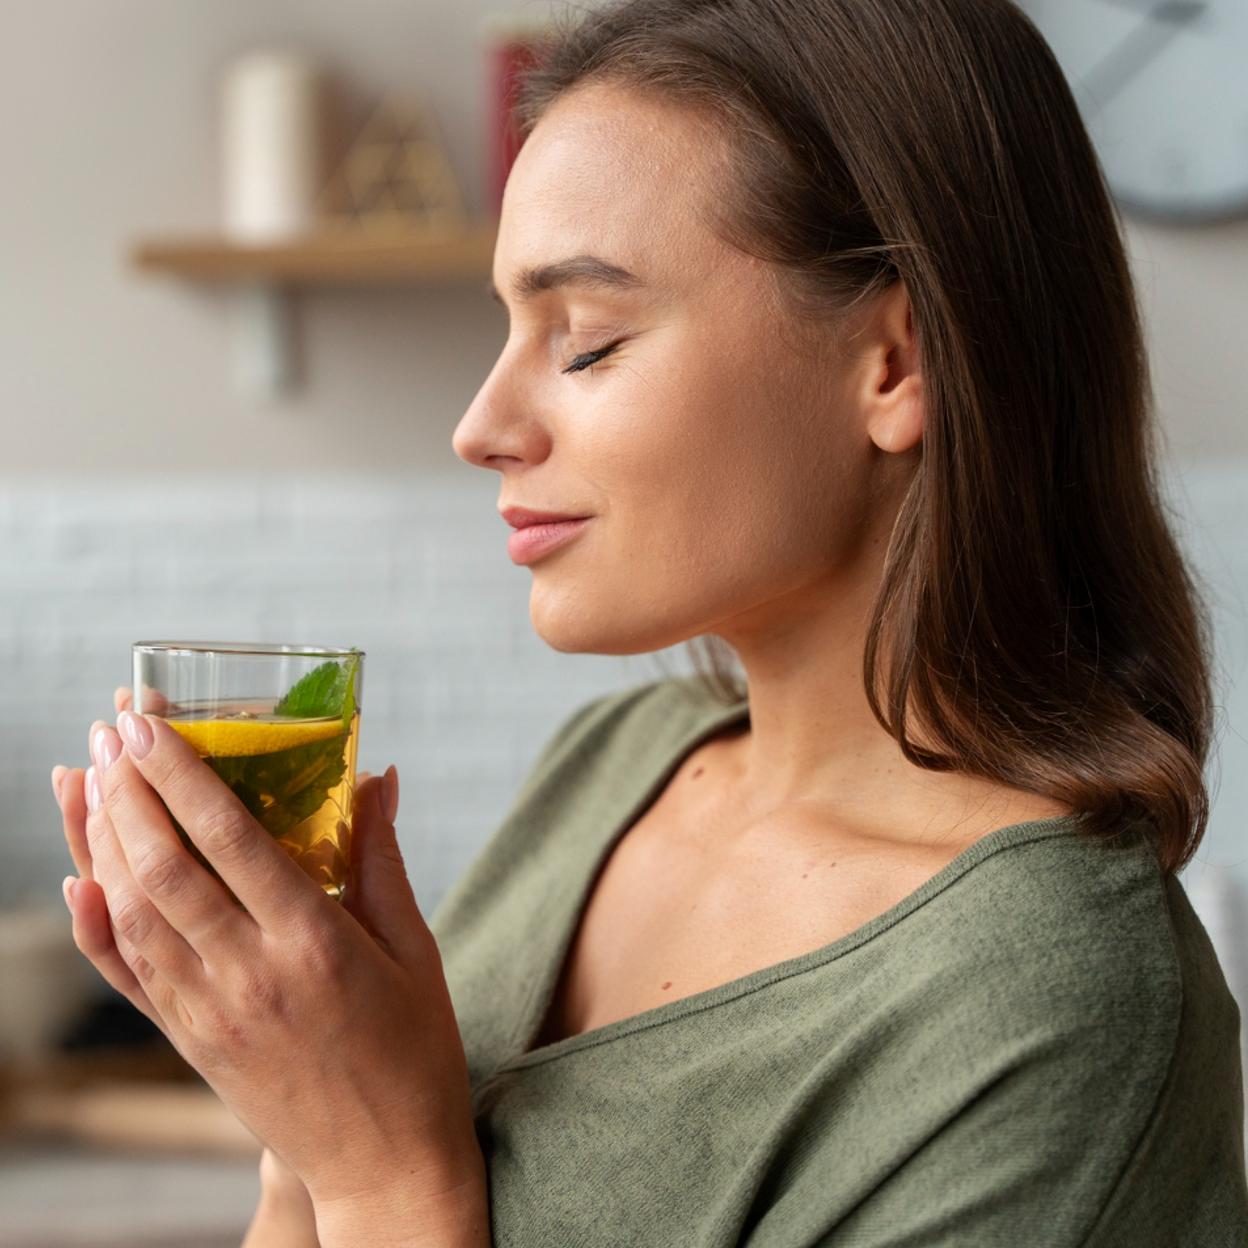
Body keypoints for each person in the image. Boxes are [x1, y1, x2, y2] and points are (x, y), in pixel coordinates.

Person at [54, 0, 1248, 1243]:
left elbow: (378, 1178)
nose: (479, 427)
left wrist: (379, 1171)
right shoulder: (617, 765)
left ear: (897, 364)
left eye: (588, 340)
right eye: (506, 328)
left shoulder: (1054, 1007)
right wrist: (293, 1083)